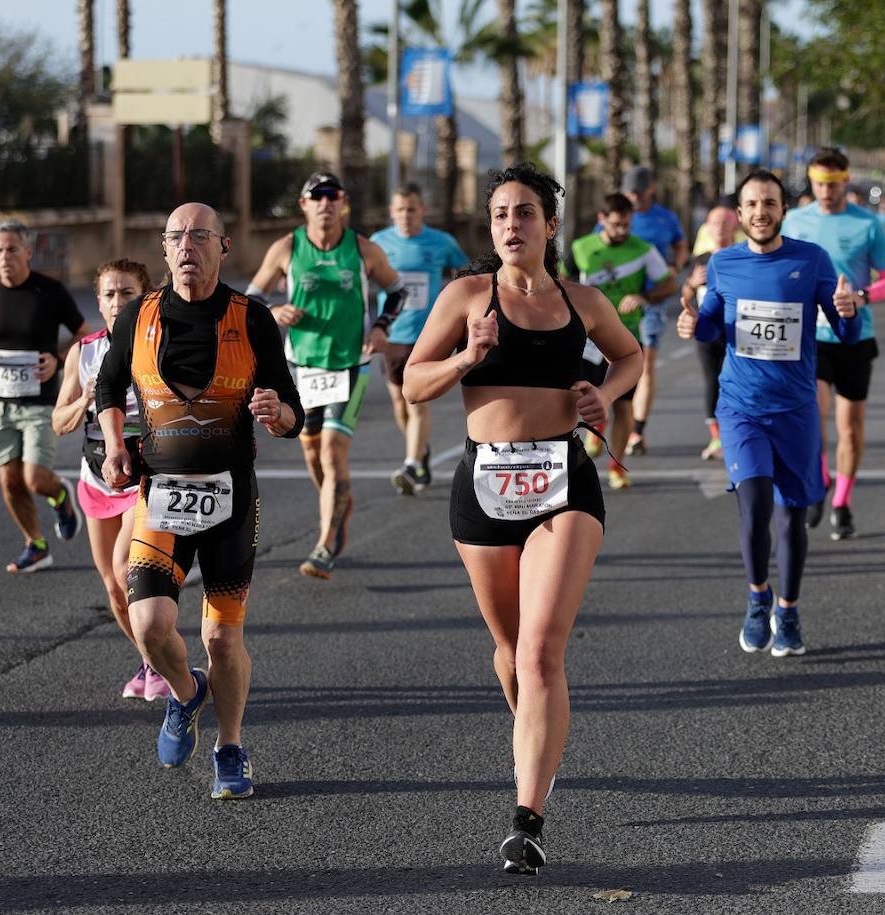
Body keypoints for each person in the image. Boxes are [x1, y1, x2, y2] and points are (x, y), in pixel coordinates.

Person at [403, 164, 642, 875]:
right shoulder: (467, 296)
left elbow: (630, 354)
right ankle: (536, 739)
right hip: (483, 485)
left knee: (541, 652)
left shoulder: (583, 300)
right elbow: (414, 381)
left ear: (550, 224)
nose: (512, 224)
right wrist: (467, 357)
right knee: (510, 652)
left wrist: (604, 393)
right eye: (501, 214)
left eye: (526, 213)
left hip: (563, 483)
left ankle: (527, 817)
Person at [96, 203, 303, 800]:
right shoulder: (139, 315)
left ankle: (230, 747)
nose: (187, 246)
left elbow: (293, 410)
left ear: (224, 247)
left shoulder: (253, 318)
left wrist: (278, 414)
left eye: (199, 237)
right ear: (164, 250)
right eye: (176, 237)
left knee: (221, 638)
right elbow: (108, 386)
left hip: (230, 500)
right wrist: (115, 445)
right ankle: (187, 695)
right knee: (151, 623)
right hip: (160, 495)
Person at [677, 167, 861, 659]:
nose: (761, 212)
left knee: (790, 520)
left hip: (796, 411)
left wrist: (847, 311)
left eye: (770, 203)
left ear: (784, 210)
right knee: (755, 504)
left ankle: (789, 608)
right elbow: (713, 327)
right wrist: (693, 322)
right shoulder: (723, 263)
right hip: (741, 407)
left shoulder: (811, 260)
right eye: (752, 204)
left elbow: (842, 330)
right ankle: (758, 598)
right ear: (740, 215)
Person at [246, 172, 406, 580]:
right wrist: (275, 311)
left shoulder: (362, 249)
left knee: (334, 450)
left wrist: (381, 326)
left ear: (343, 203)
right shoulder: (287, 248)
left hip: (350, 363)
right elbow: (252, 298)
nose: (325, 203)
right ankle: (337, 501)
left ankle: (325, 542)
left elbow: (398, 290)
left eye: (332, 196)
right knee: (312, 453)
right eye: (316, 197)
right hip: (301, 365)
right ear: (304, 205)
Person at [52, 258, 169, 701]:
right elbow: (59, 422)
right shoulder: (83, 352)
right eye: (109, 294)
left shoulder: (158, 345)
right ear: (97, 301)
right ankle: (151, 660)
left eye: (127, 293)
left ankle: (165, 665)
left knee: (126, 568)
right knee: (113, 589)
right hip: (95, 479)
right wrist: (85, 397)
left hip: (144, 476)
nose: (118, 302)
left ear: (145, 297)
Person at [0, 220, 89, 573]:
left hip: (40, 403)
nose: (4, 256)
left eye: (11, 249)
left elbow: (83, 335)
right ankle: (36, 545)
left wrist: (57, 360)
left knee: (34, 479)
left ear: (28, 251)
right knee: (9, 481)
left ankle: (60, 494)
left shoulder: (49, 292)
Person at [783, 148, 885, 541]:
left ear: (845, 181)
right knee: (813, 420)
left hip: (854, 336)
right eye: (819, 184)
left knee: (849, 429)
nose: (826, 191)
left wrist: (863, 296)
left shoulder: (867, 225)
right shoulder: (795, 221)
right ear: (811, 182)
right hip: (808, 338)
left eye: (833, 184)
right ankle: (818, 483)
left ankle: (842, 502)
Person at [565, 192, 677, 488]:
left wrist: (644, 296)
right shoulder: (581, 248)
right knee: (581, 394)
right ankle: (594, 429)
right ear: (601, 220)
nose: (622, 231)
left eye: (627, 225)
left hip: (625, 338)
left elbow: (668, 283)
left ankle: (617, 467)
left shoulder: (643, 249)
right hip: (588, 339)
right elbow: (560, 282)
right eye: (616, 225)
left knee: (624, 406)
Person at [369, 183, 469, 495]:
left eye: (412, 209)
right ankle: (421, 451)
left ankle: (412, 463)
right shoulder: (378, 243)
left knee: (417, 402)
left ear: (422, 210)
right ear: (391, 212)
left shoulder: (441, 242)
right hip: (393, 335)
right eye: (400, 209)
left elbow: (467, 274)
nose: (406, 215)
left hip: (429, 335)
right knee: (400, 403)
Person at [618, 165, 687, 456]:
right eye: (628, 190)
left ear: (651, 189)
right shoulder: (618, 214)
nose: (632, 196)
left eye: (637, 190)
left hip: (652, 299)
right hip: (619, 304)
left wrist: (677, 265)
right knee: (615, 364)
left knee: (645, 364)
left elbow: (680, 245)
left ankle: (636, 430)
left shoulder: (665, 218)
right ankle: (612, 424)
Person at [686, 204, 744, 460]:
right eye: (714, 223)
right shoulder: (702, 258)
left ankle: (739, 435)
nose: (719, 228)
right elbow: (686, 294)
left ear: (735, 225)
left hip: (738, 329)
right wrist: (691, 284)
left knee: (737, 382)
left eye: (724, 222)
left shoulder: (744, 254)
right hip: (708, 330)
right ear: (707, 228)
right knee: (713, 380)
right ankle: (716, 439)